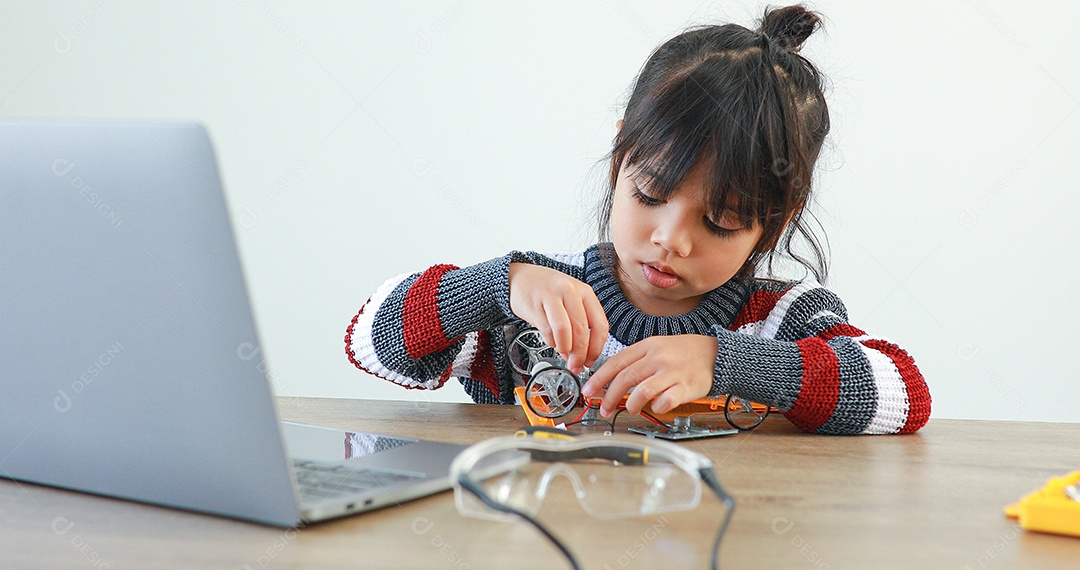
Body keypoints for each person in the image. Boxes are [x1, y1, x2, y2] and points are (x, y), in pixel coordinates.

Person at [344, 4, 931, 435]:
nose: (670, 239)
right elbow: (373, 341)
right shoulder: (535, 304)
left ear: (777, 221)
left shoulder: (780, 318)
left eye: (721, 222)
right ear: (618, 159)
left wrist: (722, 362)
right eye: (650, 193)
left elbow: (903, 392)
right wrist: (501, 283)